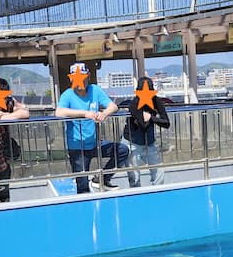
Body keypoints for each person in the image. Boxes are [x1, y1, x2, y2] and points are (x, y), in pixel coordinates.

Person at [55, 62, 123, 193]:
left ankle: (102, 179)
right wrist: (84, 114)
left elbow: (113, 106)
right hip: (77, 147)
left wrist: (104, 113)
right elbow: (59, 112)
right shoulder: (68, 94)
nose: (82, 80)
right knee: (82, 185)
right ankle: (84, 208)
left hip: (95, 142)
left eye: (84, 77)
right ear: (71, 78)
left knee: (122, 150)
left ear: (89, 76)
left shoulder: (95, 90)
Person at [122, 77, 170, 187]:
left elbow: (166, 123)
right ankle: (136, 198)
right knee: (134, 177)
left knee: (159, 172)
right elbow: (143, 125)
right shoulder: (134, 104)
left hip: (150, 142)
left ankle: (158, 194)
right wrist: (150, 117)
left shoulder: (156, 101)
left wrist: (151, 117)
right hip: (132, 143)